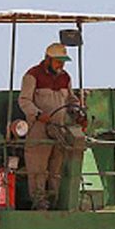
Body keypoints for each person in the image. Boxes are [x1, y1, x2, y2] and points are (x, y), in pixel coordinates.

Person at [18, 42, 81, 210]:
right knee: (37, 167)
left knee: (56, 167)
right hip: (38, 128)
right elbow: (24, 101)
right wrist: (38, 114)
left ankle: (55, 200)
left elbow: (71, 100)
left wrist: (76, 109)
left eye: (63, 61)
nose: (61, 65)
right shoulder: (32, 76)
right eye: (58, 61)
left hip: (59, 128)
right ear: (48, 59)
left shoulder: (65, 77)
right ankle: (39, 200)